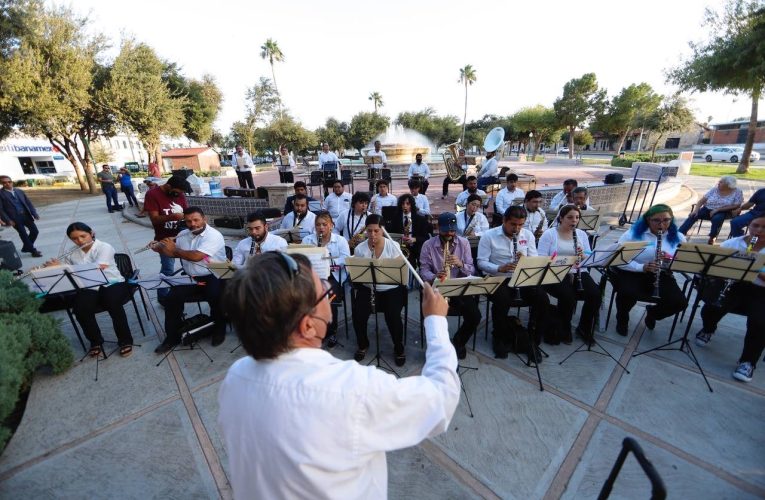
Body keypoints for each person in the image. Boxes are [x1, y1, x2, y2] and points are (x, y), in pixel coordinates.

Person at [217, 252, 458, 499]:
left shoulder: (236, 376)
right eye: (324, 290)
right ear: (307, 325)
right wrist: (436, 321)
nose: (330, 291)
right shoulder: (352, 389)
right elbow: (441, 398)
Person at [42, 222, 134, 357]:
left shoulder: (104, 247)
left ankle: (125, 340)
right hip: (88, 285)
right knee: (80, 309)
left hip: (112, 282)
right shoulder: (71, 253)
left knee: (112, 302)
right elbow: (68, 273)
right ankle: (95, 341)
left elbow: (97, 268)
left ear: (91, 233)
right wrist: (55, 268)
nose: (79, 241)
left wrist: (63, 266)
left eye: (83, 236)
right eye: (74, 238)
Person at [695, 215, 765, 383]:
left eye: (764, 228)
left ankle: (748, 362)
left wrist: (755, 271)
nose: (759, 231)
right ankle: (708, 329)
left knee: (760, 322)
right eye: (756, 226)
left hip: (760, 290)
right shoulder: (732, 244)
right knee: (713, 306)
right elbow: (712, 266)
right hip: (733, 284)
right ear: (749, 225)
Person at [153, 207, 228, 352]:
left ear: (204, 219)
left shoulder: (214, 235)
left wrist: (174, 249)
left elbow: (196, 256)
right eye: (188, 221)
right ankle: (172, 337)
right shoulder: (182, 234)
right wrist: (159, 248)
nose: (192, 224)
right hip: (191, 277)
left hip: (215, 273)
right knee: (171, 299)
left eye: (196, 220)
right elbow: (174, 254)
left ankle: (219, 329)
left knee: (215, 296)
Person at [477, 206, 549, 357]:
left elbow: (534, 259)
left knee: (542, 298)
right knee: (502, 300)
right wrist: (499, 268)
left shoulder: (527, 235)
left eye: (520, 225)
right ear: (504, 220)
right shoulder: (489, 236)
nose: (517, 228)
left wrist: (525, 261)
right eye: (513, 224)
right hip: (498, 277)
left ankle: (532, 336)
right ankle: (499, 337)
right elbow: (481, 262)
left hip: (521, 277)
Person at [612, 204, 688, 336]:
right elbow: (618, 259)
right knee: (627, 293)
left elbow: (683, 261)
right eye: (656, 220)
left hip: (661, 273)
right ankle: (622, 319)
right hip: (632, 271)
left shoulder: (679, 237)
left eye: (666, 220)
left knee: (679, 302)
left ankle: (653, 313)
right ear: (648, 220)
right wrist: (642, 267)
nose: (662, 224)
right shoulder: (632, 234)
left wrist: (669, 261)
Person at [419, 212, 481, 359]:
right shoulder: (428, 245)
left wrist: (461, 264)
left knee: (475, 316)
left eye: (452, 230)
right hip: (437, 288)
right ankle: (437, 347)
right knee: (433, 317)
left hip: (459, 287)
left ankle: (459, 341)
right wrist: (435, 276)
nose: (449, 233)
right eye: (446, 230)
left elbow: (471, 269)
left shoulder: (463, 243)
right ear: (438, 228)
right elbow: (423, 270)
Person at [351, 214, 409, 366]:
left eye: (376, 231)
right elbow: (357, 275)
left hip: (392, 288)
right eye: (369, 231)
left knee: (393, 316)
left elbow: (401, 273)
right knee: (358, 314)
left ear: (382, 230)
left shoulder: (393, 246)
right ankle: (363, 344)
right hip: (368, 288)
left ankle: (398, 347)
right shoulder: (360, 249)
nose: (372, 235)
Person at [537, 205, 601, 343]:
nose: (574, 221)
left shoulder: (582, 235)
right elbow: (541, 258)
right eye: (570, 217)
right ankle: (564, 327)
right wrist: (561, 261)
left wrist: (582, 255)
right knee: (568, 297)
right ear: (561, 218)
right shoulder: (549, 234)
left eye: (577, 217)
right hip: (554, 272)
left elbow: (589, 256)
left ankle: (584, 327)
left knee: (595, 294)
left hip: (578, 271)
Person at [302, 211, 351, 348]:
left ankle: (331, 330)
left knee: (327, 297)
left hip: (333, 276)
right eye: (318, 225)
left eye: (324, 224)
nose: (321, 228)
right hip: (313, 276)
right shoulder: (308, 240)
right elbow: (302, 258)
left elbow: (345, 258)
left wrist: (326, 261)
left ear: (331, 225)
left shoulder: (340, 240)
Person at [143, 176, 189, 302]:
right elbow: (154, 219)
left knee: (189, 265)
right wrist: (173, 216)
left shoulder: (179, 194)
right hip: (164, 237)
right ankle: (163, 297)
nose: (179, 195)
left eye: (181, 193)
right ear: (169, 186)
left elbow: (186, 212)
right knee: (168, 269)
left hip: (183, 235)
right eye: (177, 192)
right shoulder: (152, 194)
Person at [678, 175, 743, 245]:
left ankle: (712, 237)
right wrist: (696, 210)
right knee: (693, 215)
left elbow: (737, 205)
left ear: (728, 185)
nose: (718, 183)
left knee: (717, 218)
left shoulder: (737, 191)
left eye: (721, 182)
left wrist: (718, 209)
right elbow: (701, 201)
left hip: (725, 211)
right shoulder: (715, 189)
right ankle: (680, 234)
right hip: (707, 208)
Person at [0, 175, 42, 257]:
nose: (7, 184)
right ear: (2, 184)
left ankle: (26, 247)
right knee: (23, 234)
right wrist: (8, 220)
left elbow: (28, 203)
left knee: (35, 231)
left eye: (9, 182)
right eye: (4, 183)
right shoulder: (1, 194)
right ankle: (33, 251)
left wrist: (34, 213)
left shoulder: (19, 191)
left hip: (26, 215)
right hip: (14, 218)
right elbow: (1, 209)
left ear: (12, 182)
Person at [388, 193, 431, 267]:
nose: (405, 206)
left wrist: (414, 239)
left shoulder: (420, 219)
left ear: (411, 205)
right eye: (403, 204)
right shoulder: (395, 219)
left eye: (408, 204)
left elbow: (426, 237)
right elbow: (391, 235)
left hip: (415, 248)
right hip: (400, 249)